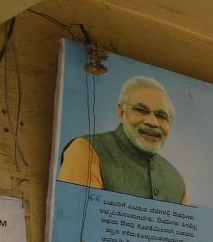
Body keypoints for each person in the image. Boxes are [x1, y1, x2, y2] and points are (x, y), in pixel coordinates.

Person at [58, 75, 189, 204]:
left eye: (161, 116)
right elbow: (74, 219)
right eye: (141, 110)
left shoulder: (177, 181)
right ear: (121, 113)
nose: (152, 122)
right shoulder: (86, 150)